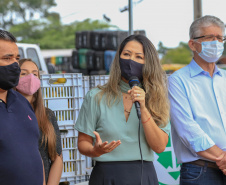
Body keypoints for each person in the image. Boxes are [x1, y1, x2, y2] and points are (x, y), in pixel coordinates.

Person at [75, 34, 170, 185]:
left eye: (139, 57)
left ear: (148, 63)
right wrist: (95, 151)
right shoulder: (96, 96)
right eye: (126, 54)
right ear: (118, 59)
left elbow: (159, 146)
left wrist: (144, 107)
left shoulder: (156, 99)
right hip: (106, 176)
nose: (131, 60)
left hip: (143, 176)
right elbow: (83, 142)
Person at [168, 15, 226, 185]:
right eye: (209, 37)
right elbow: (188, 129)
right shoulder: (178, 81)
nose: (216, 43)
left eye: (220, 38)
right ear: (192, 44)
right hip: (201, 172)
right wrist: (222, 157)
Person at [0, 30, 45, 185]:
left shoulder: (21, 102)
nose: (15, 64)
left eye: (16, 58)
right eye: (7, 58)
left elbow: (34, 153)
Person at [16, 58, 63, 185]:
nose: (30, 77)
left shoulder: (47, 115)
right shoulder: (6, 113)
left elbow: (57, 157)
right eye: (23, 73)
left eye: (35, 74)